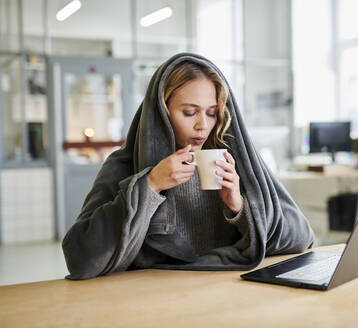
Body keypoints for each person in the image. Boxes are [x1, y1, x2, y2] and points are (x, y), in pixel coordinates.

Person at [62, 53, 315, 280]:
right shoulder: (125, 164)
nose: (203, 126)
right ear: (161, 111)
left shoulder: (236, 161)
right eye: (190, 112)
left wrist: (239, 207)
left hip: (227, 294)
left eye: (212, 113)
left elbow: (302, 237)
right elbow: (81, 259)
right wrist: (150, 185)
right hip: (155, 300)